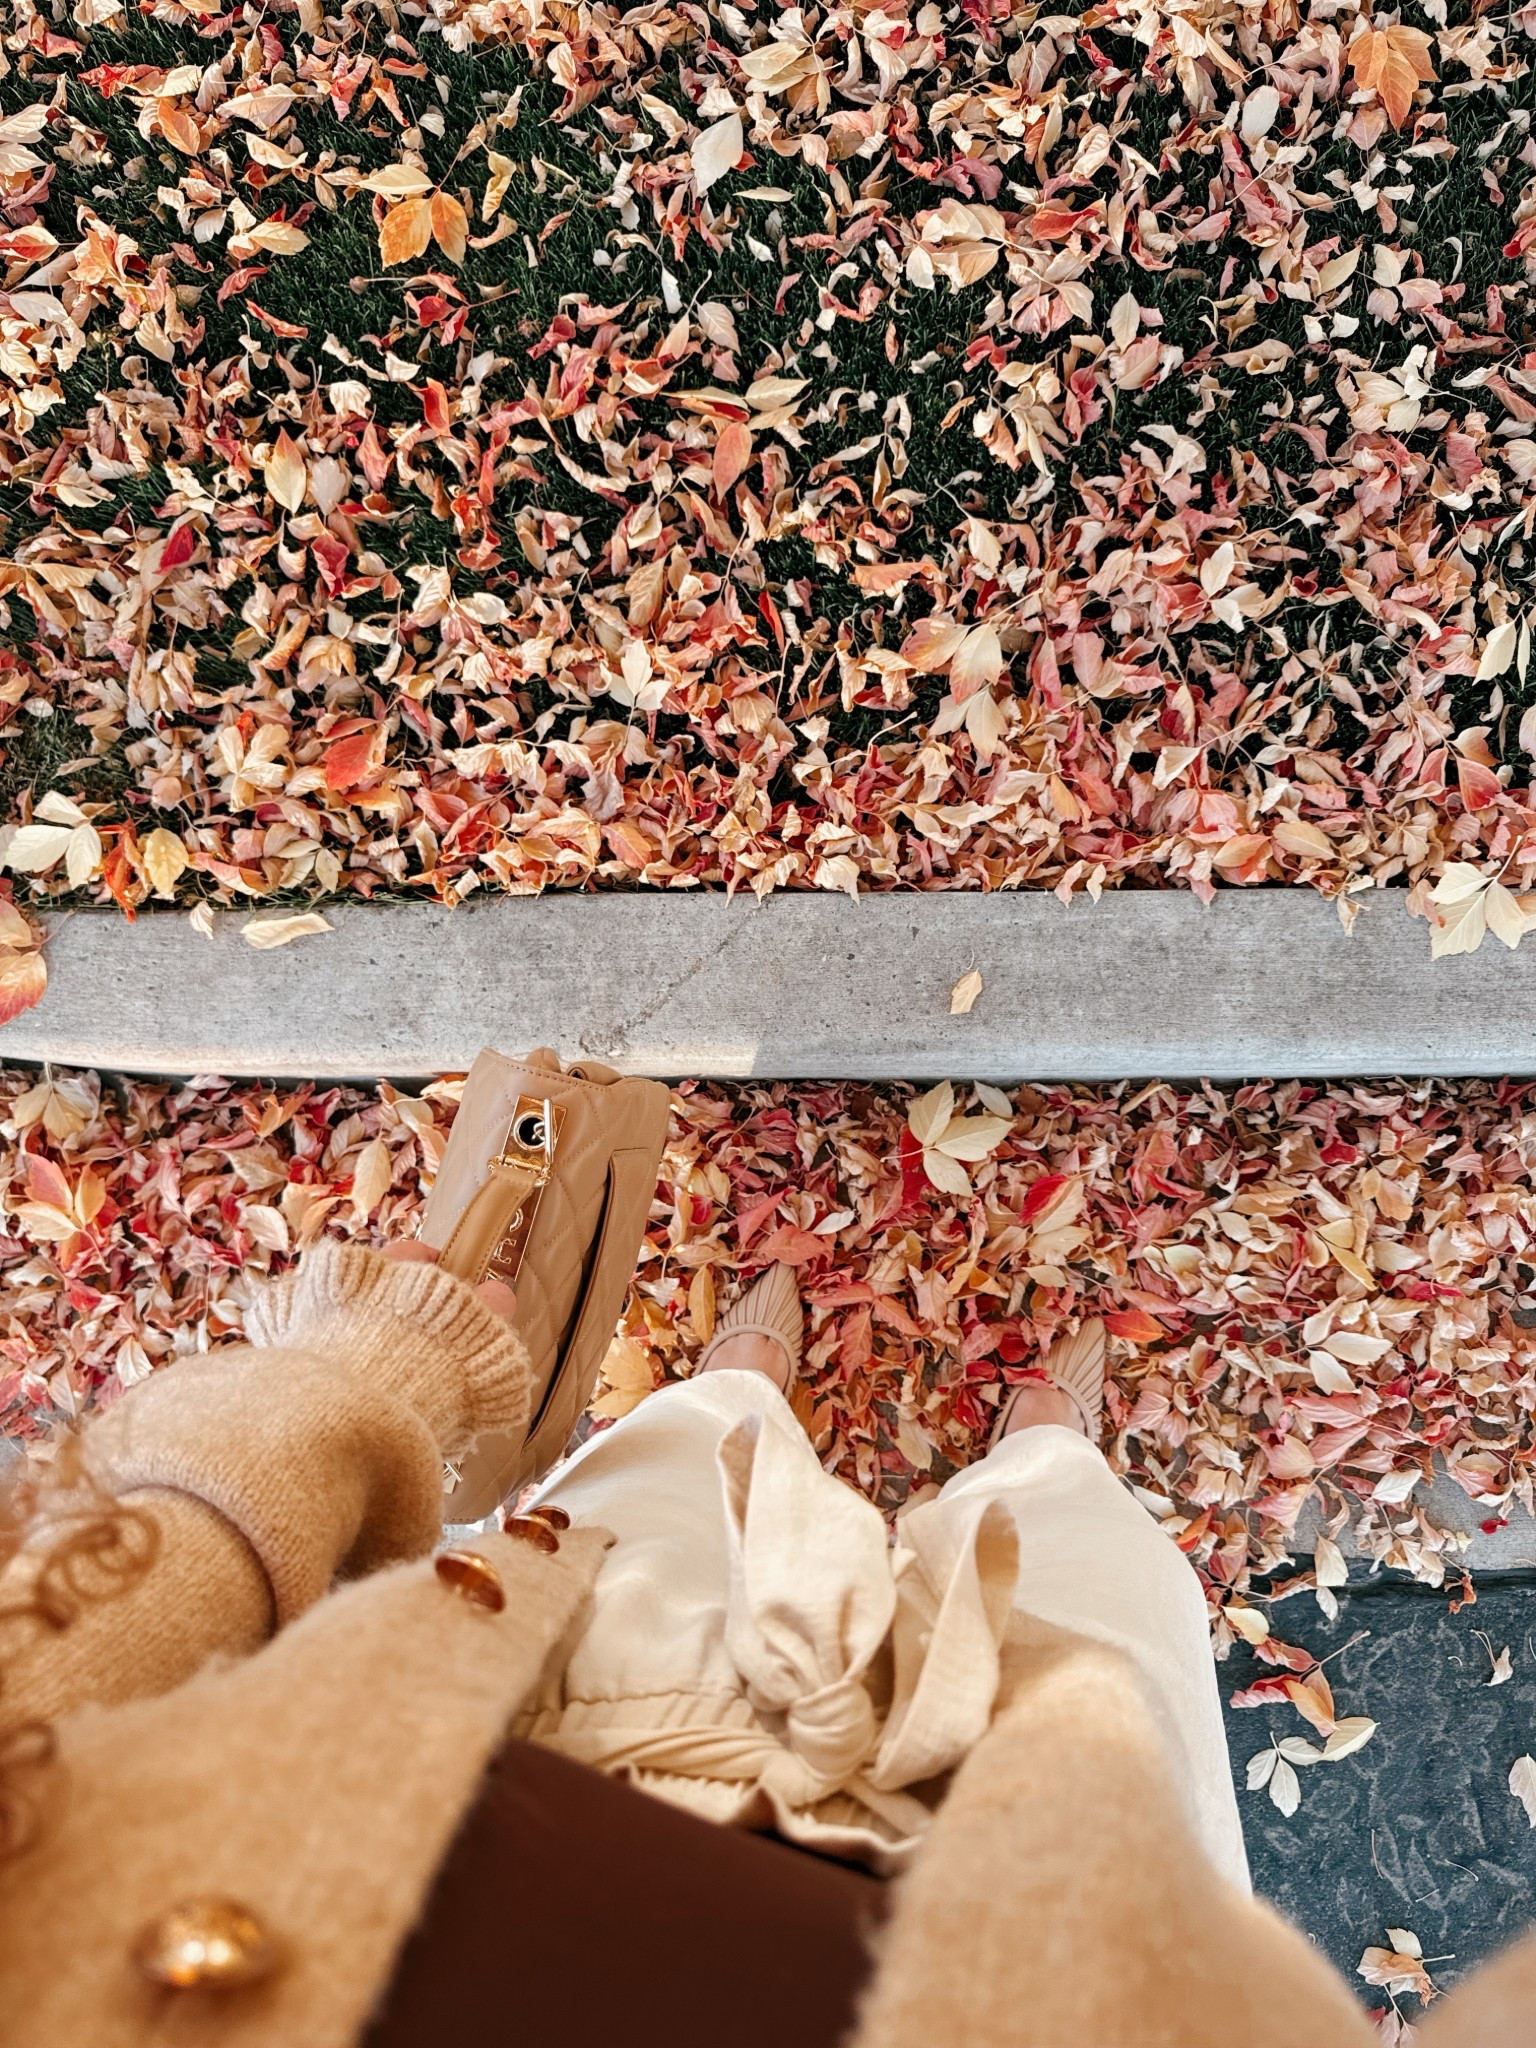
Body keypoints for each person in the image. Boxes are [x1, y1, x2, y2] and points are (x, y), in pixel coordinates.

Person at [0, 1232, 1520, 2045]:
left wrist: (362, 1387)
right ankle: (1050, 1447)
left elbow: (79, 1635)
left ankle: (744, 1379)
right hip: (1079, 1873)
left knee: (678, 1470)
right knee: (1087, 1579)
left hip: (551, 1699)